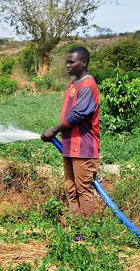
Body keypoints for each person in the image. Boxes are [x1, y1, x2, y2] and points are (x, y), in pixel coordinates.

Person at [41, 46, 100, 239]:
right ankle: (76, 231)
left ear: (84, 62)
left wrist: (53, 130)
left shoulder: (87, 85)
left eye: (71, 62)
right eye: (67, 62)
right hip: (69, 146)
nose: (68, 65)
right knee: (71, 188)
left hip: (83, 148)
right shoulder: (74, 84)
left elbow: (77, 115)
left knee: (84, 191)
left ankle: (87, 233)